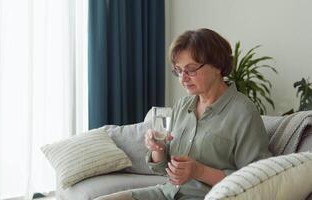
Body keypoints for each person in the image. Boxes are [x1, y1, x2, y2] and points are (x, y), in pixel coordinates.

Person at [95, 28, 272, 200]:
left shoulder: (243, 113)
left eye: (191, 69)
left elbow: (255, 182)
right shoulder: (182, 106)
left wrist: (199, 171)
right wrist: (158, 149)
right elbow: (164, 169)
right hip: (167, 193)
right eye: (178, 70)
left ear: (217, 66)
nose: (183, 78)